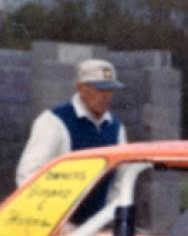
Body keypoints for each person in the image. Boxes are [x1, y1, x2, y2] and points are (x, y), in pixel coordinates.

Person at [15, 58, 127, 186]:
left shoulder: (115, 127)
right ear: (81, 88)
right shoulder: (54, 121)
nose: (105, 96)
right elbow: (28, 174)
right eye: (99, 89)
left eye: (110, 90)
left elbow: (120, 179)